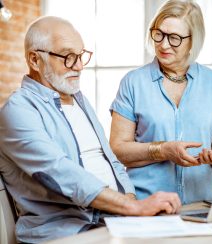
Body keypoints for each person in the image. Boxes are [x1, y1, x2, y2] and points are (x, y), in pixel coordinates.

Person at [0, 16, 181, 243]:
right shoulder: (17, 110)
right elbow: (60, 172)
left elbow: (111, 161)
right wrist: (132, 208)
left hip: (108, 221)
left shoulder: (78, 99)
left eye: (80, 55)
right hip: (62, 232)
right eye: (68, 57)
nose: (78, 65)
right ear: (35, 60)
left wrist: (132, 208)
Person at [109, 0, 212, 205]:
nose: (163, 44)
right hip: (147, 205)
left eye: (175, 38)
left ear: (193, 41)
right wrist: (163, 150)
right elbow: (117, 149)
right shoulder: (133, 83)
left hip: (202, 205)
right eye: (159, 33)